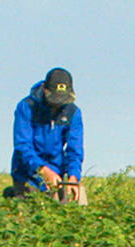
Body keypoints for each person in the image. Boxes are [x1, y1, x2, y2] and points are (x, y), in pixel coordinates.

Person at [5, 67, 85, 200]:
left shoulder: (73, 112)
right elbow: (23, 146)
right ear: (45, 90)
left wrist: (73, 177)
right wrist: (43, 171)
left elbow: (75, 149)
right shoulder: (26, 107)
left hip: (57, 175)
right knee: (28, 213)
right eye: (54, 100)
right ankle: (13, 195)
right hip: (27, 173)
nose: (57, 105)